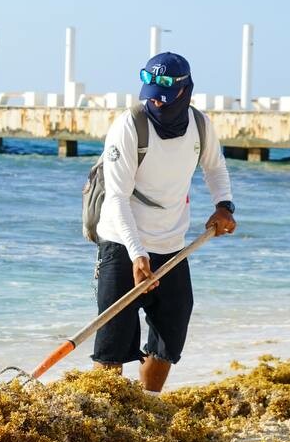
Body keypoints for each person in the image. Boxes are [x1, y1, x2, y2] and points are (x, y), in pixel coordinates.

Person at [93, 52, 236, 392]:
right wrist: (137, 254)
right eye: (151, 93)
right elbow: (116, 198)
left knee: (169, 336)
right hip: (121, 242)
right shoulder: (129, 125)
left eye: (164, 95)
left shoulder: (200, 125)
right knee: (113, 340)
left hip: (171, 245)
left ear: (185, 92)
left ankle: (149, 404)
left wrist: (224, 205)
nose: (156, 100)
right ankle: (101, 416)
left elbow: (214, 167)